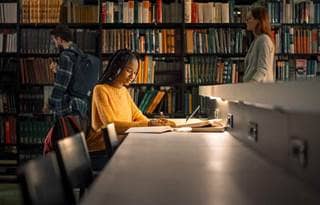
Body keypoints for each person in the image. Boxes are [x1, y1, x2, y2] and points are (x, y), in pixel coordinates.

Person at [86, 49, 175, 170]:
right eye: (129, 71)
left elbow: (139, 116)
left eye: (135, 73)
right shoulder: (100, 90)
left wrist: (157, 124)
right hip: (100, 152)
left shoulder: (123, 91)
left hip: (118, 147)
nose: (132, 77)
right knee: (147, 163)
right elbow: (111, 126)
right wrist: (148, 124)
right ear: (117, 68)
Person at [46, 24, 88, 119]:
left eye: (54, 39)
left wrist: (50, 104)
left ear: (60, 39)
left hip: (69, 106)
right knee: (77, 133)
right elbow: (73, 76)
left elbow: (61, 86)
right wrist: (58, 71)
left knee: (66, 133)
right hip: (81, 104)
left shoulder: (65, 56)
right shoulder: (79, 53)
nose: (53, 42)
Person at [243, 7, 275, 82]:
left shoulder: (264, 40)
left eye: (249, 19)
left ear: (258, 21)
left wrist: (251, 84)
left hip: (259, 89)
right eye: (246, 19)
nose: (246, 22)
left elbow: (263, 68)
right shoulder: (256, 41)